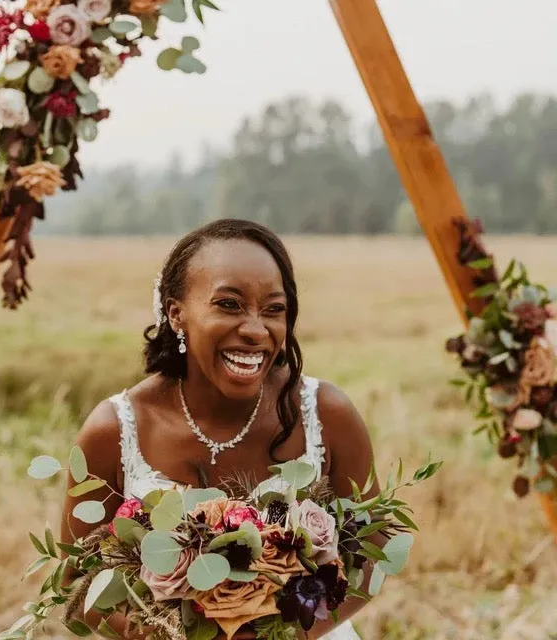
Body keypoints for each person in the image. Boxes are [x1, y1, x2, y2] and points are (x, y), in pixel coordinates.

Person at [61, 219, 380, 639]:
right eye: (229, 304)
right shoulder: (114, 430)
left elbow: (374, 560)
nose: (255, 329)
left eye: (273, 309)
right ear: (177, 313)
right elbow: (74, 588)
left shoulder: (327, 414)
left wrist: (287, 636)